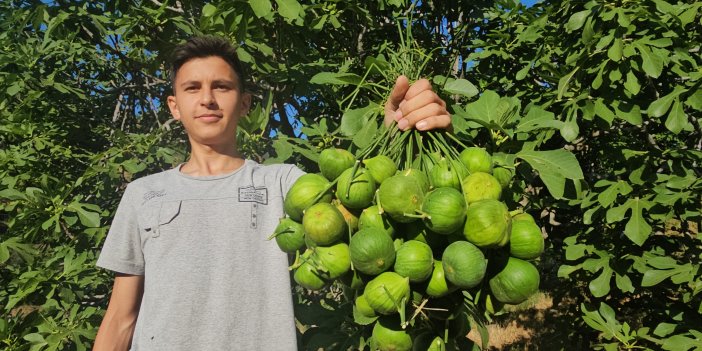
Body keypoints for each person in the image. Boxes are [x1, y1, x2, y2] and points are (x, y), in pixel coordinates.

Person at [93, 36, 451, 351]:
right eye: (192, 88)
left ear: (246, 103)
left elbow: (358, 202)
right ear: (174, 106)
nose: (207, 99)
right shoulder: (144, 194)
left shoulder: (282, 183)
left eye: (221, 86)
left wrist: (397, 130)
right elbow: (121, 318)